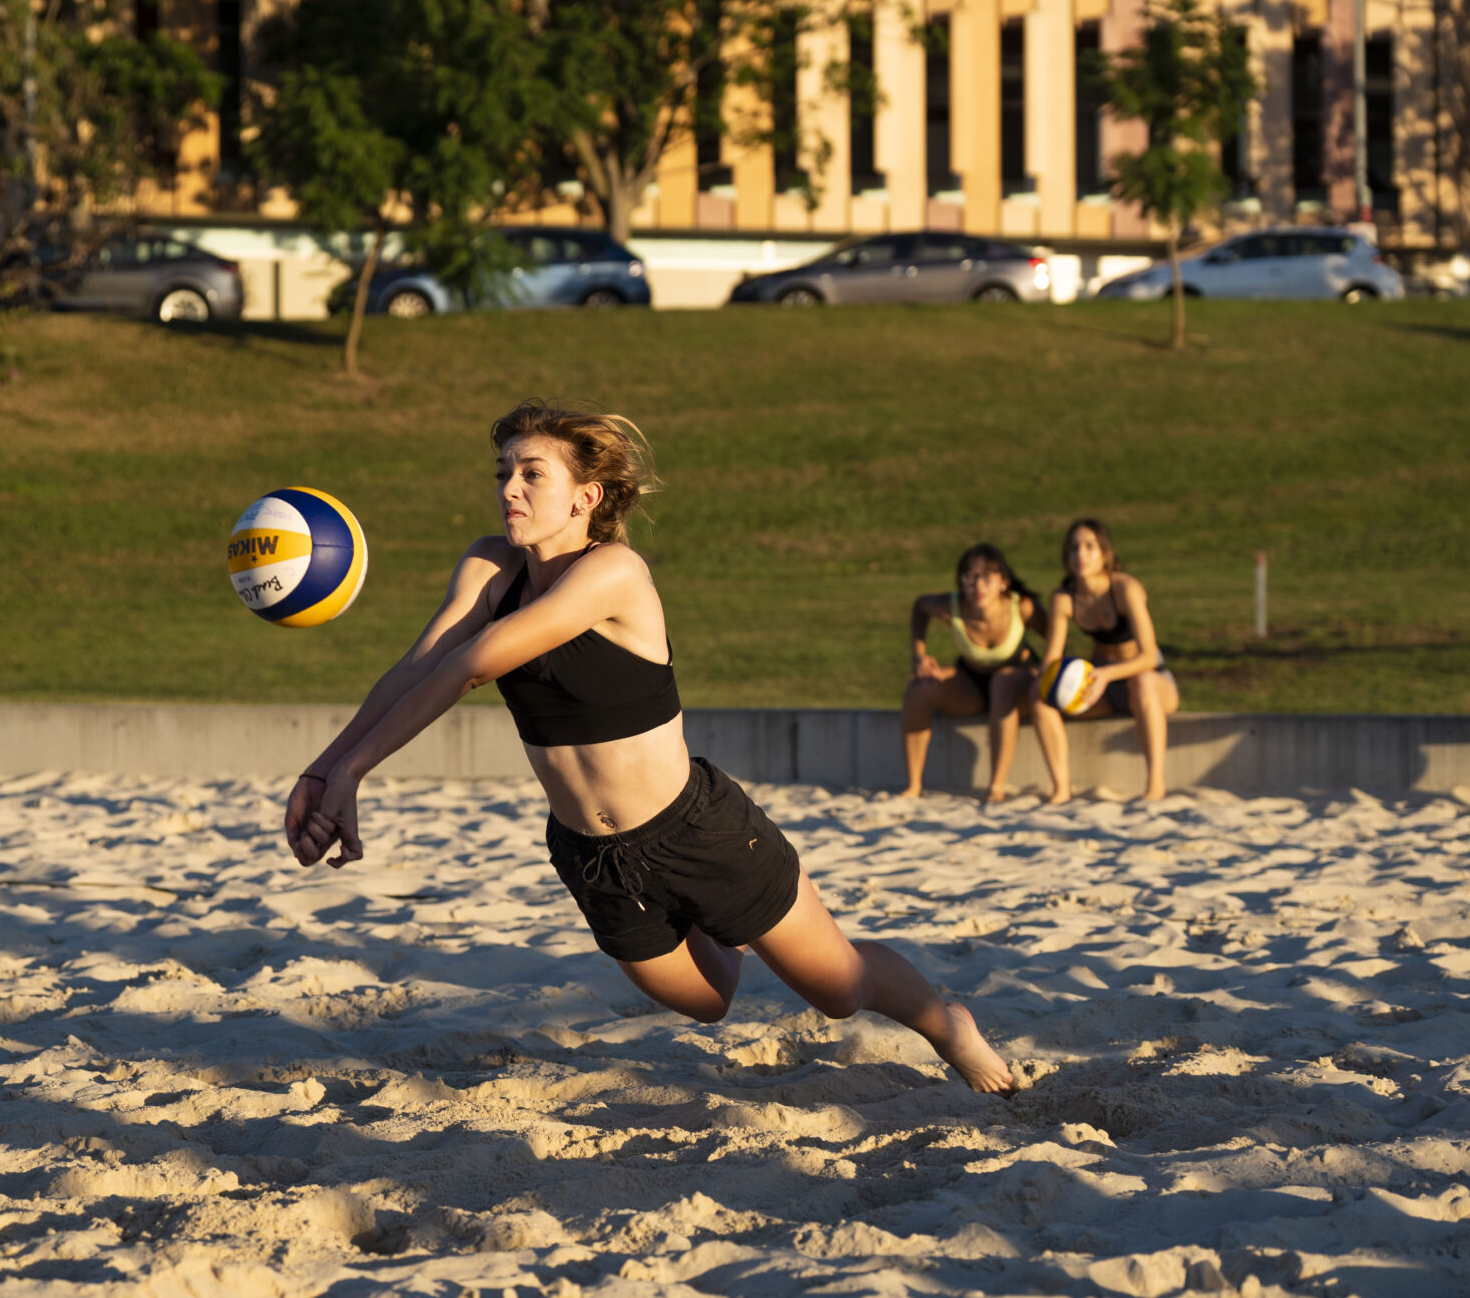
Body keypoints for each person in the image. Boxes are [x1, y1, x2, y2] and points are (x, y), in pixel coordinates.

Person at [284, 401, 1014, 1095]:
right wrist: (324, 769)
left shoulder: (614, 573)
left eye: (532, 472)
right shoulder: (488, 569)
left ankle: (952, 1026)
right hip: (591, 855)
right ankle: (719, 925)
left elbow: (473, 664)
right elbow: (419, 665)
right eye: (503, 472)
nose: (510, 487)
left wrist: (355, 770)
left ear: (585, 496)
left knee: (839, 991)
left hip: (697, 830)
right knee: (709, 1001)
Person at [1031, 518, 1181, 803]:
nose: (1081, 555)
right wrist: (1044, 679)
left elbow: (1148, 656)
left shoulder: (1125, 588)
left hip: (1150, 680)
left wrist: (1107, 675)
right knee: (1039, 697)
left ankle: (1154, 786)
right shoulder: (1064, 598)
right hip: (1101, 684)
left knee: (1143, 683)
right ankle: (1061, 789)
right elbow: (1051, 658)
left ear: (1105, 553)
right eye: (1074, 548)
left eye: (1090, 547)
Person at [898, 543, 1048, 802]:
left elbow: (1056, 637)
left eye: (987, 578)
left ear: (1003, 581)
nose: (978, 586)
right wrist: (918, 657)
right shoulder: (953, 605)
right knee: (918, 688)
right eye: (970, 578)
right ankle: (913, 786)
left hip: (1017, 685)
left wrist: (1044, 669)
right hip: (972, 683)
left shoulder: (1022, 607)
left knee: (1003, 682)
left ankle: (997, 786)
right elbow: (920, 606)